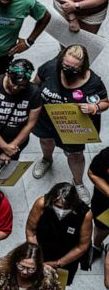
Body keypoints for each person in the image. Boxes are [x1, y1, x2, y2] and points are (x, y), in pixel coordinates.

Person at [31, 45, 108, 200]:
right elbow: (35, 84)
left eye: (73, 68)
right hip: (46, 119)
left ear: (82, 67)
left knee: (75, 155)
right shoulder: (50, 68)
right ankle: (46, 159)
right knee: (45, 140)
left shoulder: (93, 82)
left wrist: (94, 108)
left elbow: (105, 102)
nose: (68, 70)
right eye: (65, 65)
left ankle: (78, 182)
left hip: (73, 126)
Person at [25, 182, 92, 290]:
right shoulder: (42, 204)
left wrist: (57, 263)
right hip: (39, 252)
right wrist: (37, 258)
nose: (61, 210)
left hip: (65, 259)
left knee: (55, 285)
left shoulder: (84, 214)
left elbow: (82, 246)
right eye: (58, 206)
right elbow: (31, 231)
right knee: (31, 278)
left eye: (65, 208)